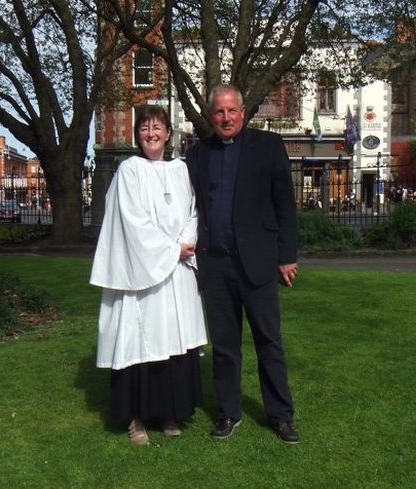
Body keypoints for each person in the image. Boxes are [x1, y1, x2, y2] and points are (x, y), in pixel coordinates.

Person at [185, 84, 300, 444]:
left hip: (259, 262)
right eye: (218, 112)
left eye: (231, 110)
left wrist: (287, 255)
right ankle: (228, 412)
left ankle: (281, 416)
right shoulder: (197, 154)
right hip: (215, 265)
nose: (226, 118)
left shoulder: (268, 146)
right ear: (210, 116)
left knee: (269, 342)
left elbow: (285, 204)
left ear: (243, 110)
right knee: (224, 346)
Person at [90, 106, 207, 446]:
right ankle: (136, 417)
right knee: (140, 343)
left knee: (173, 343)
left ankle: (169, 411)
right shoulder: (129, 171)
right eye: (144, 127)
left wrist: (186, 242)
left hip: (177, 275)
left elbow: (194, 211)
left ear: (169, 133)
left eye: (157, 127)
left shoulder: (182, 171)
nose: (151, 133)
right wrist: (170, 250)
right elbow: (131, 223)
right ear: (137, 134)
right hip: (142, 275)